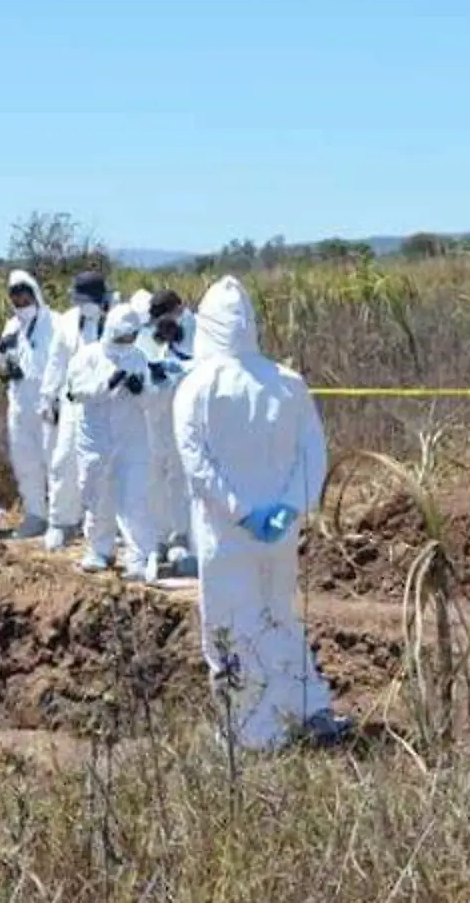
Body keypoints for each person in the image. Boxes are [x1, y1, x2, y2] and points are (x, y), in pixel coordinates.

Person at [176, 276, 350, 751]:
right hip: (281, 533)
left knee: (231, 629)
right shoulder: (288, 382)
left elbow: (197, 463)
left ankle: (254, 736)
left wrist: (241, 512)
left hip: (226, 536)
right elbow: (313, 453)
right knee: (278, 616)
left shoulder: (197, 387)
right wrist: (289, 507)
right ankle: (309, 707)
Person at [63, 304, 162, 582]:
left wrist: (140, 390)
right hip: (94, 439)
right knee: (96, 493)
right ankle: (99, 549)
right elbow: (75, 391)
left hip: (131, 439)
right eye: (121, 338)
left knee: (134, 498)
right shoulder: (87, 356)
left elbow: (151, 400)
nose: (125, 344)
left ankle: (138, 556)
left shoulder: (138, 357)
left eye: (129, 339)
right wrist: (106, 385)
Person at [38, 270, 113, 550]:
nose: (84, 305)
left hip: (110, 402)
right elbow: (56, 361)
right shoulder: (68, 322)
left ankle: (109, 527)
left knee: (108, 466)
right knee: (63, 459)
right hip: (73, 401)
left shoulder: (116, 318)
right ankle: (62, 522)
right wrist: (47, 397)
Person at [135, 288, 198, 572]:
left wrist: (178, 368)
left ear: (179, 309)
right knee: (155, 474)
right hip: (157, 413)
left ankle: (182, 536)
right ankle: (160, 536)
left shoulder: (196, 329)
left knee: (180, 475)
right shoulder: (153, 333)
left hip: (185, 413)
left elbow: (206, 364)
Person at [0, 270, 55, 539]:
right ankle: (35, 515)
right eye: (15, 297)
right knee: (25, 461)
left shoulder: (54, 323)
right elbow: (4, 362)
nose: (21, 301)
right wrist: (2, 356)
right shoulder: (11, 326)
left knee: (54, 461)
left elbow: (58, 361)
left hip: (46, 400)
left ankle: (62, 519)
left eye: (25, 294)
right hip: (18, 401)